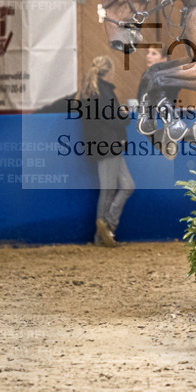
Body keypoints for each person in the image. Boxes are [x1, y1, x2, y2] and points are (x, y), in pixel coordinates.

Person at [78, 55, 134, 248]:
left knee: (126, 186)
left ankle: (104, 229)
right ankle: (104, 229)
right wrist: (125, 116)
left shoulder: (90, 91)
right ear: (108, 72)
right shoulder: (104, 92)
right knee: (111, 189)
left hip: (102, 144)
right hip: (109, 144)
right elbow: (113, 118)